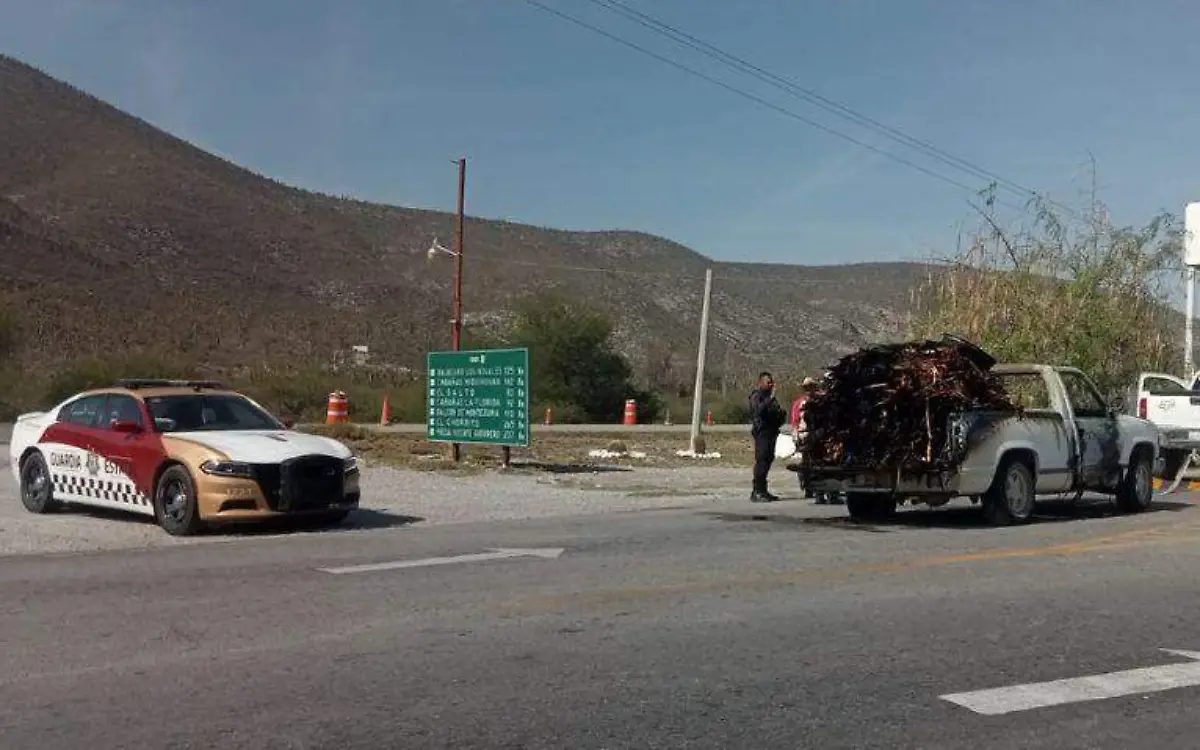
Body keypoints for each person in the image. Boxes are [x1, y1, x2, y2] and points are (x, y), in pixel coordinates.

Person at [749, 371, 787, 502]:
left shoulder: (771, 399)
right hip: (762, 433)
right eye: (768, 382)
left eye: (772, 382)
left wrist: (781, 415)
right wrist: (769, 399)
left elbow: (775, 413)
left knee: (768, 460)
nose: (771, 385)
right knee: (762, 461)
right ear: (760, 383)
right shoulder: (756, 396)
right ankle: (757, 491)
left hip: (771, 432)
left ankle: (763, 490)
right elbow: (758, 411)